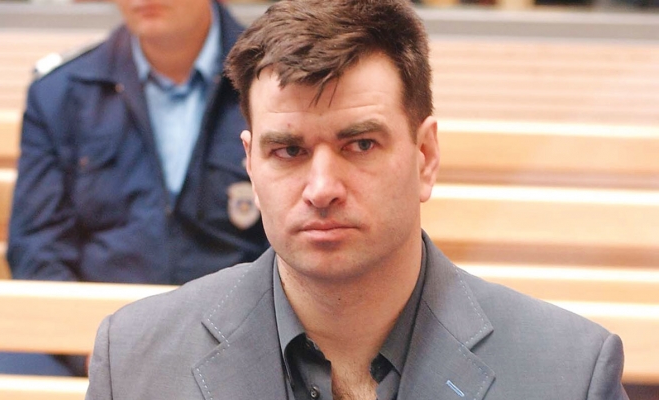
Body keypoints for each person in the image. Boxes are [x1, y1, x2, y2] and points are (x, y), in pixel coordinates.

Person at [86, 1, 629, 399]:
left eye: (361, 144)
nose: (322, 188)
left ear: (425, 156)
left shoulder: (568, 373)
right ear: (250, 164)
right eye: (289, 151)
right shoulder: (135, 362)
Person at [0, 0, 268, 377]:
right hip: (93, 339)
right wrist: (94, 351)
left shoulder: (271, 79)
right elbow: (37, 246)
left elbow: (291, 237)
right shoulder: (62, 91)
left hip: (240, 340)